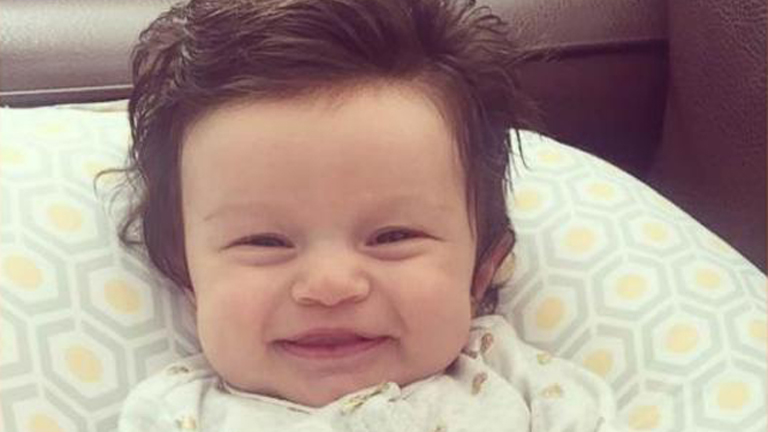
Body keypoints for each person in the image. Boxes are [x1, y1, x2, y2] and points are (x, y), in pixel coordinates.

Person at [114, 0, 627, 430]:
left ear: (482, 271)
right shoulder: (177, 413)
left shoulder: (526, 389)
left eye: (393, 236)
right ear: (188, 280)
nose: (330, 285)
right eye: (264, 242)